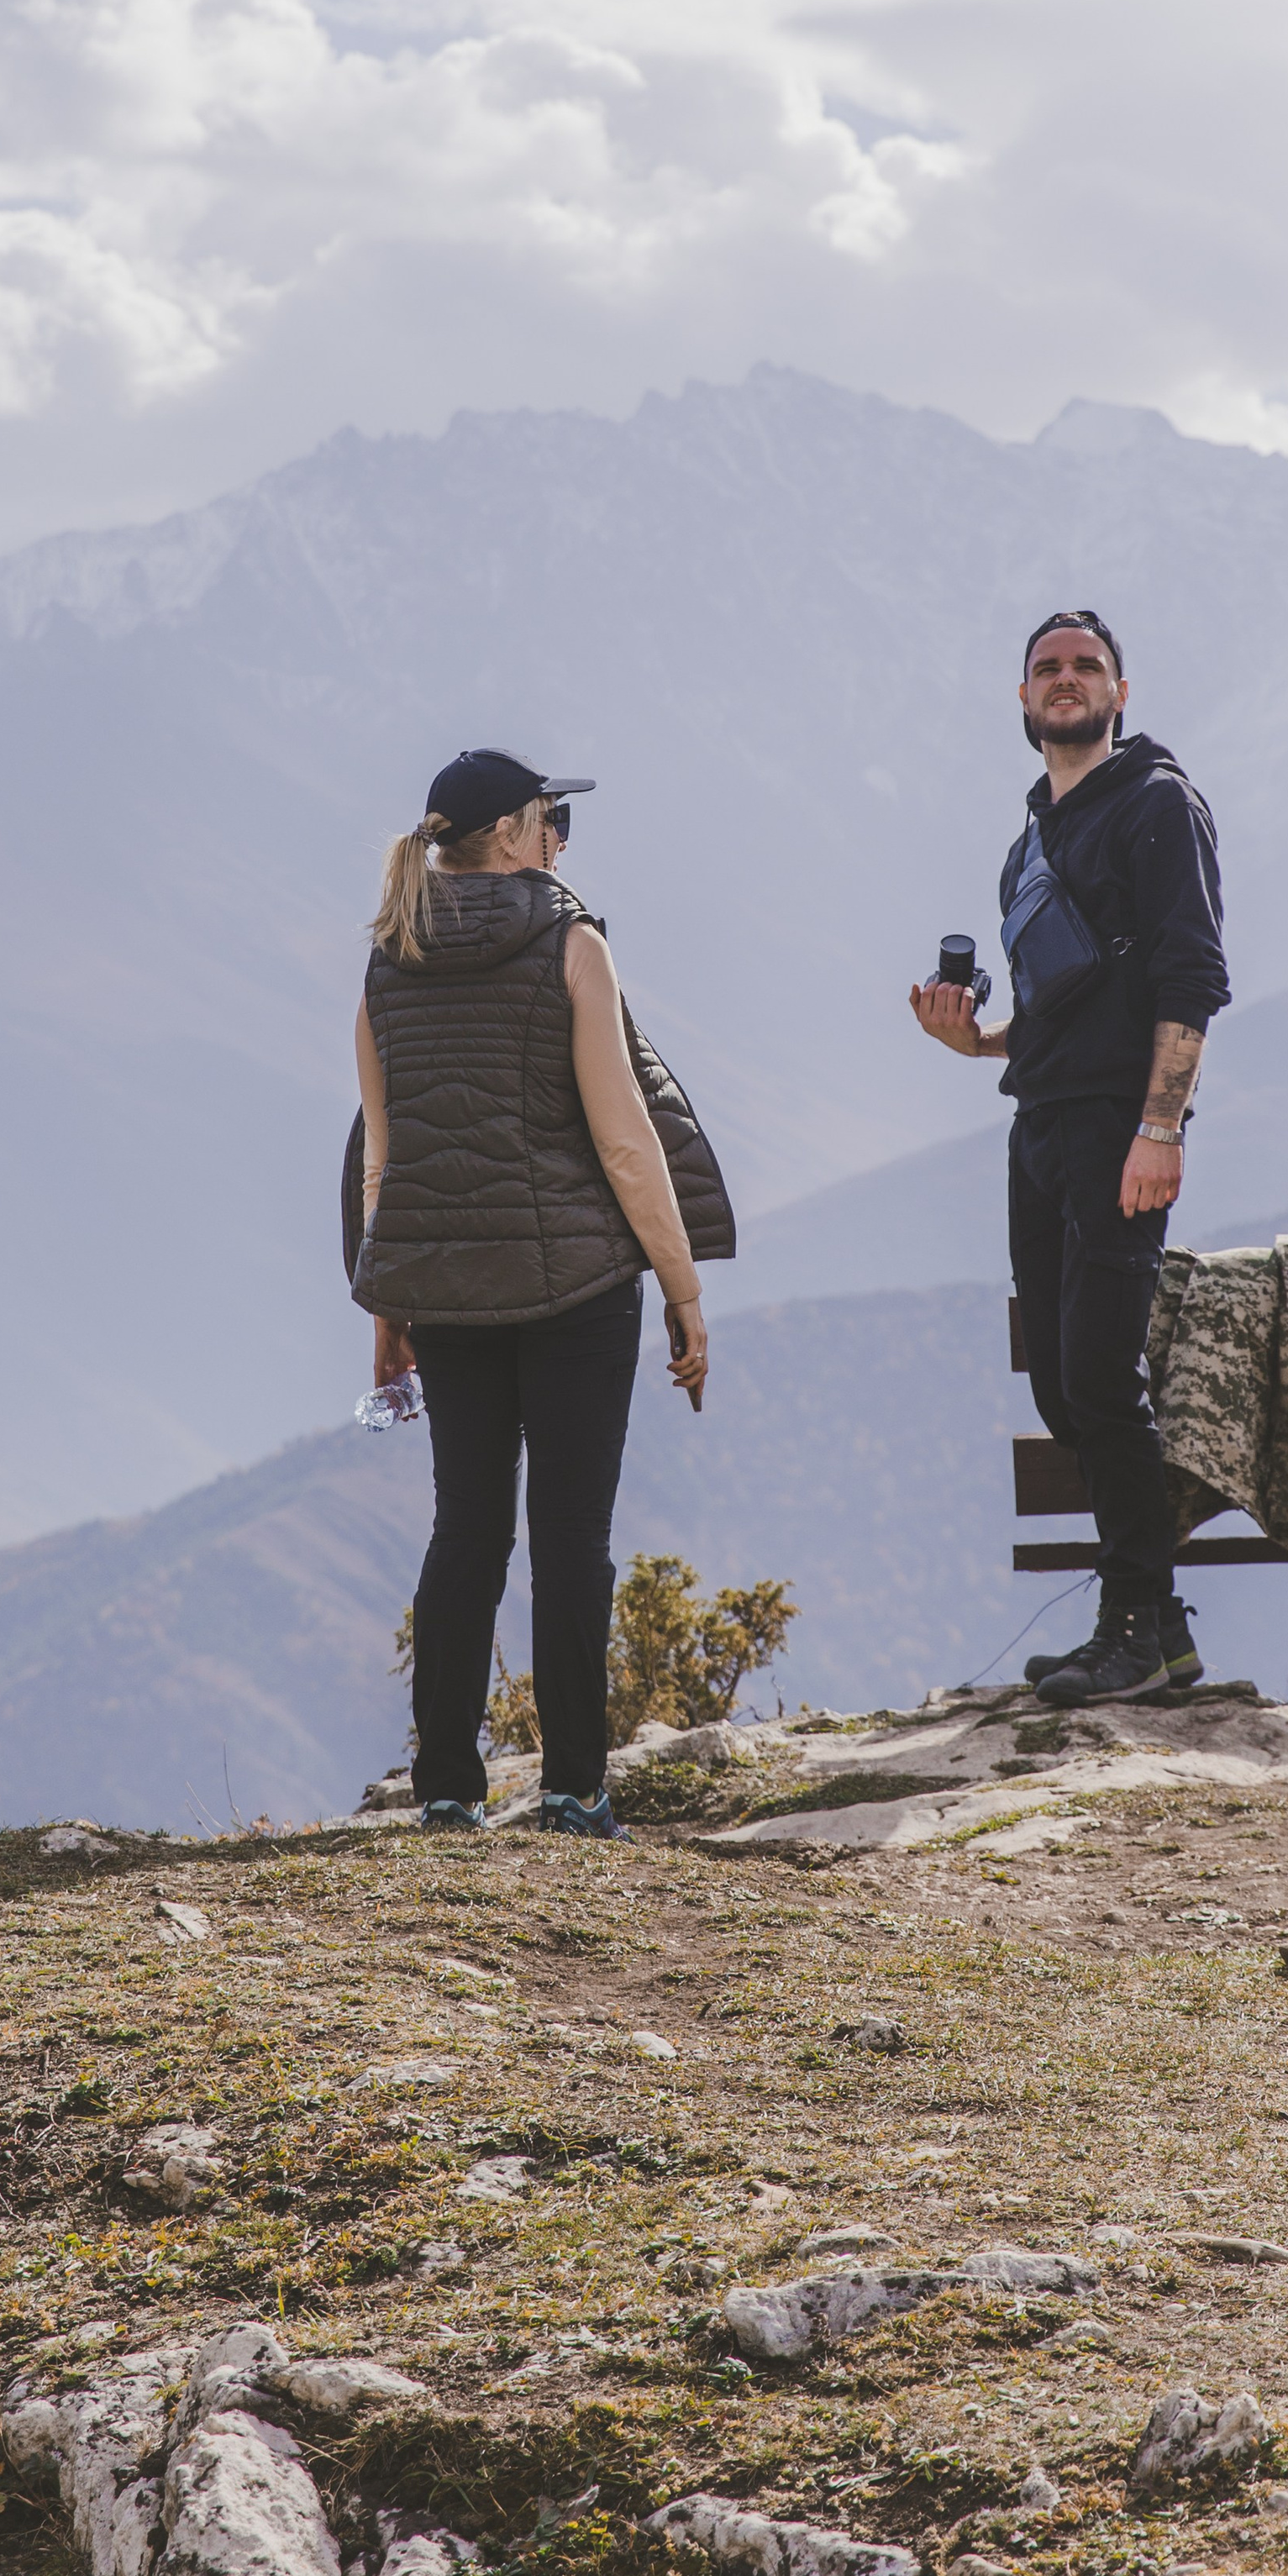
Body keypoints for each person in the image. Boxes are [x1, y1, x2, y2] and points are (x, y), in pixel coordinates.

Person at [352, 746, 733, 1835]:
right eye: (550, 815)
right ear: (514, 835)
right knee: (572, 1534)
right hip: (579, 1289)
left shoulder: (388, 959)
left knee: (464, 1531)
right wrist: (683, 1287)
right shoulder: (572, 945)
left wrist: (389, 1307)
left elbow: (385, 1158)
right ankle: (571, 1785)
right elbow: (624, 1141)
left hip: (445, 1295)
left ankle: (445, 1790)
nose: (558, 833)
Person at [909, 612, 1229, 1701]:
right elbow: (1054, 1008)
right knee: (1060, 1384)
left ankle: (1132, 1630)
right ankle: (1161, 1627)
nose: (1064, 679)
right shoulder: (1030, 838)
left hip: (1119, 1130)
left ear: (1120, 689)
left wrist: (1161, 1128)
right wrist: (975, 1039)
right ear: (1022, 697)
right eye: (1046, 667)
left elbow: (1192, 980)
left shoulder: (1157, 806)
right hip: (1039, 1124)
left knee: (1100, 1374)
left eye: (1084, 665)